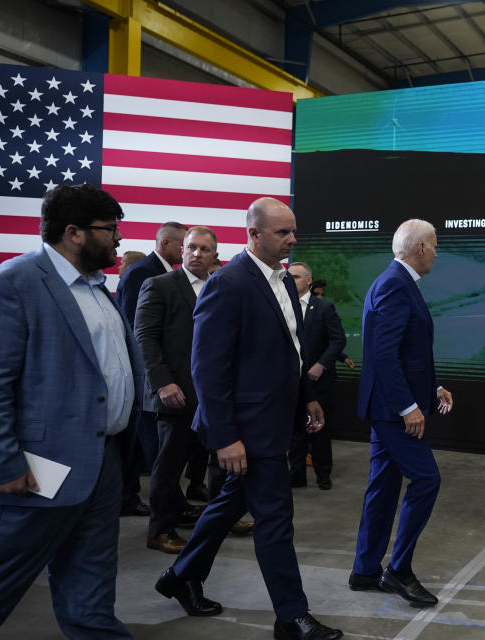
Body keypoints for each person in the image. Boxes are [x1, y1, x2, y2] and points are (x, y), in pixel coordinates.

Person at [154, 198, 341, 640]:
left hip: (276, 422)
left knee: (225, 507)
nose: (293, 240)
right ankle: (291, 617)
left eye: (293, 231)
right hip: (247, 431)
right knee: (276, 519)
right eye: (283, 233)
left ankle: (180, 576)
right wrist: (225, 438)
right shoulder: (230, 283)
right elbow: (207, 367)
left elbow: (290, 354)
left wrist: (308, 398)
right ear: (253, 235)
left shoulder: (284, 283)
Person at [0, 184, 145, 636]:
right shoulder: (14, 283)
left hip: (105, 462)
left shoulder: (100, 289)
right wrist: (3, 462)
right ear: (74, 232)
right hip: (37, 471)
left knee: (91, 589)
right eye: (110, 230)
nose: (118, 239)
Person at [348, 219, 453, 609]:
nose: (437, 253)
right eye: (435, 245)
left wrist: (432, 388)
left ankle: (364, 569)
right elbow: (383, 354)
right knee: (426, 479)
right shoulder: (395, 284)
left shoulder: (397, 281)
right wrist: (409, 406)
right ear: (421, 247)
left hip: (390, 406)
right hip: (394, 411)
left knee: (383, 487)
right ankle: (398, 570)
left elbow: (410, 351)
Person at [135, 227, 227, 554]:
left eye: (205, 249)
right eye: (192, 248)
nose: (197, 254)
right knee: (169, 466)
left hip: (214, 395)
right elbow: (144, 337)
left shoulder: (221, 288)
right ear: (183, 250)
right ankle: (159, 530)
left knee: (220, 461)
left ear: (214, 254)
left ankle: (219, 519)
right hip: (176, 393)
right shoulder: (160, 285)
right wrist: (162, 382)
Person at [116, 221, 189, 518]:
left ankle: (143, 501)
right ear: (166, 243)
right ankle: (166, 512)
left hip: (153, 376)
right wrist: (157, 379)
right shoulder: (143, 273)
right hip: (147, 378)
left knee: (146, 447)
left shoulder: (158, 272)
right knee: (156, 450)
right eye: (183, 244)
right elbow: (140, 332)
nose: (187, 251)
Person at [288, 262, 347, 490]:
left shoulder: (323, 307)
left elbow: (338, 340)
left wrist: (321, 364)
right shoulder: (283, 306)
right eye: (288, 277)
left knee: (319, 428)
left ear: (308, 280)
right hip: (292, 379)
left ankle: (323, 474)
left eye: (295, 277)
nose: (290, 281)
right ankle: (296, 474)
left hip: (318, 379)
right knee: (295, 430)